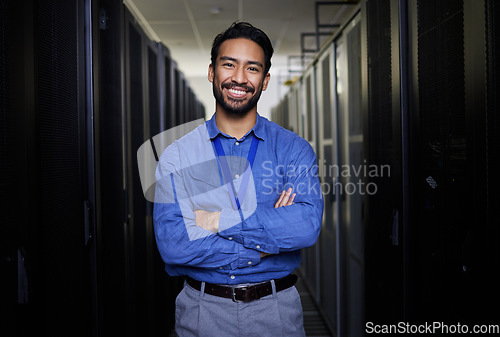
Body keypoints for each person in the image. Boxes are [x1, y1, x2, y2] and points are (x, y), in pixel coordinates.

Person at [153, 21, 323, 337]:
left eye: (252, 68)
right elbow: (173, 244)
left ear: (265, 80)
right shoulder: (179, 154)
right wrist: (265, 242)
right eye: (229, 64)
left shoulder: (293, 149)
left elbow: (306, 224)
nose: (239, 78)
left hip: (276, 311)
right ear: (211, 72)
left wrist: (215, 221)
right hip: (203, 312)